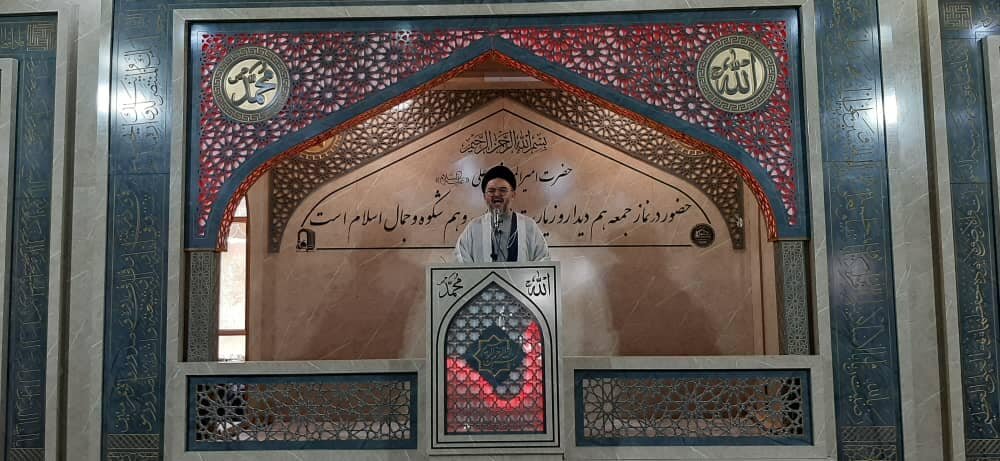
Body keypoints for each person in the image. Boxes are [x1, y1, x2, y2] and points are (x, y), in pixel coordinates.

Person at [454, 165, 551, 263]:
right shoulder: (474, 227)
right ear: (484, 196)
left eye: (503, 190)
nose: (496, 194)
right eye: (491, 191)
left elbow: (543, 259)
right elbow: (461, 258)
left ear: (513, 194)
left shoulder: (528, 226)